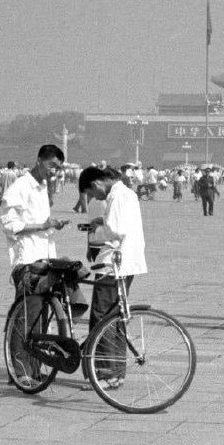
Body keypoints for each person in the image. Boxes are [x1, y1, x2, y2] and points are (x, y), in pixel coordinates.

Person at [0, 144, 70, 388]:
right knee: (26, 317)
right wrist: (41, 226)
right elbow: (9, 223)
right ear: (39, 161)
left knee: (40, 320)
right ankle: (20, 371)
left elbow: (40, 222)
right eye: (52, 165)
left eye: (58, 168)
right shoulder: (20, 186)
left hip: (44, 258)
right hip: (27, 261)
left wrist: (51, 225)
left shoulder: (42, 188)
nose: (54, 171)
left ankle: (33, 367)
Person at [78, 165, 147, 389]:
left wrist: (97, 230)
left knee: (102, 316)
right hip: (128, 261)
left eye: (92, 193)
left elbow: (116, 230)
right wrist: (102, 222)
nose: (94, 197)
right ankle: (116, 372)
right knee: (115, 318)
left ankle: (105, 373)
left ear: (97, 184)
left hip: (113, 263)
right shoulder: (128, 193)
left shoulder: (116, 197)